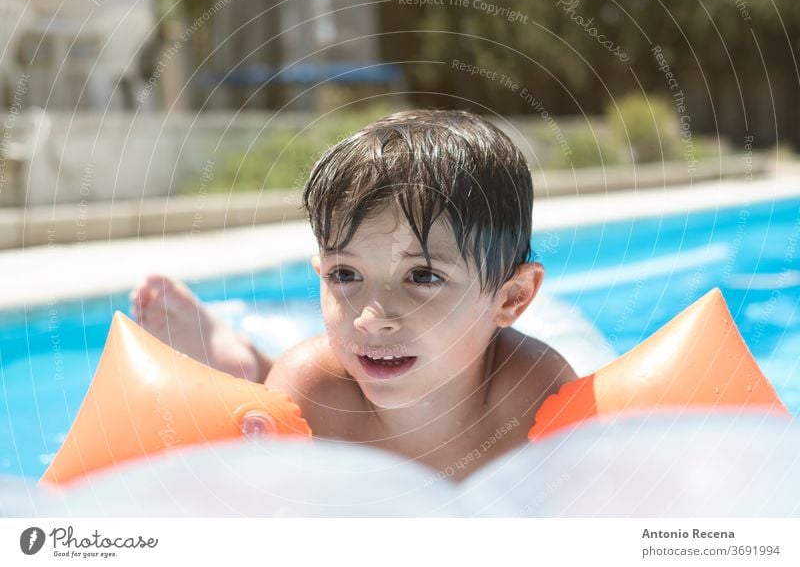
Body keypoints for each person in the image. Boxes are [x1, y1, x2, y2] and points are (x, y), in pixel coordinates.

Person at [130, 109, 576, 481]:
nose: (371, 316)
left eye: (422, 276)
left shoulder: (534, 395)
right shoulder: (311, 394)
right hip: (307, 391)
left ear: (511, 298)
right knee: (275, 397)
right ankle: (246, 369)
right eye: (344, 273)